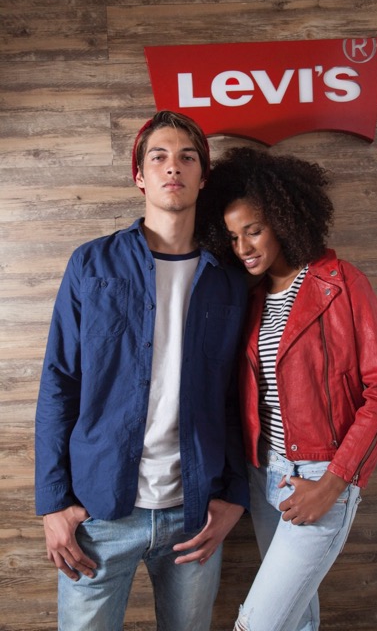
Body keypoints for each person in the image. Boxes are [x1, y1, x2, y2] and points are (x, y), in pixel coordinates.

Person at [35, 111, 250, 631]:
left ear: (203, 176)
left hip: (195, 512)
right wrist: (53, 504)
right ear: (140, 175)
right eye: (159, 157)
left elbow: (237, 395)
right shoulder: (92, 264)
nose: (173, 167)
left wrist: (234, 497)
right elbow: (59, 383)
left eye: (187, 157)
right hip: (99, 513)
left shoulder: (229, 280)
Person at [196, 146, 377, 631]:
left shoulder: (341, 283)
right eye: (233, 237)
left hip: (320, 475)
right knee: (295, 621)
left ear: (284, 220)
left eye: (254, 230)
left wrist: (333, 483)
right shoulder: (250, 299)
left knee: (259, 625)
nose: (243, 247)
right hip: (263, 474)